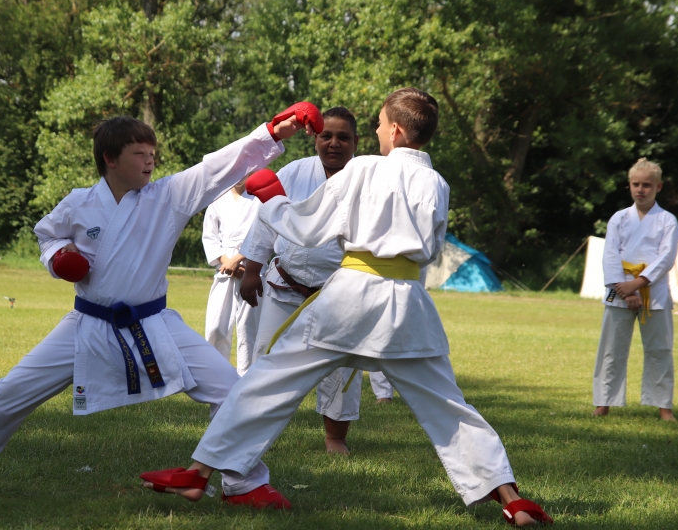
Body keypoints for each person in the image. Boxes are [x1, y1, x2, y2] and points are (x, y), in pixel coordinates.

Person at [140, 88, 553, 527]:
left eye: (379, 124)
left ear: (396, 130)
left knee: (267, 380)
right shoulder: (437, 183)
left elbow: (307, 228)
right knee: (449, 405)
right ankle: (511, 498)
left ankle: (200, 473)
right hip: (407, 304)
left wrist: (273, 198)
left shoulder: (363, 169)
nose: (376, 130)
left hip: (350, 300)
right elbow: (431, 251)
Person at [0, 104, 319, 509]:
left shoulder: (168, 197)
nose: (150, 160)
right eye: (139, 153)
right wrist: (59, 258)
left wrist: (272, 132)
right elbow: (47, 235)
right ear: (110, 159)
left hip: (154, 321)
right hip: (89, 322)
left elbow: (216, 168)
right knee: (8, 393)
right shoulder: (79, 203)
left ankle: (244, 482)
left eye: (152, 152)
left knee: (231, 390)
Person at [238, 106, 393, 455]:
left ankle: (335, 438)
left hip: (342, 292)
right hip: (285, 284)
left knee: (342, 365)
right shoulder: (294, 171)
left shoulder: (369, 180)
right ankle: (254, 430)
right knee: (267, 356)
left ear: (356, 142)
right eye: (327, 136)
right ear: (315, 139)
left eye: (343, 137)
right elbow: (266, 218)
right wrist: (252, 270)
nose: (334, 143)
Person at [593, 158, 678, 422]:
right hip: (618, 288)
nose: (640, 189)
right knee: (611, 348)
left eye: (647, 185)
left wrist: (638, 283)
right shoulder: (618, 218)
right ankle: (603, 402)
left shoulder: (667, 220)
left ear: (658, 187)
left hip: (654, 290)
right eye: (636, 184)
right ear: (629, 185)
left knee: (660, 349)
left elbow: (666, 258)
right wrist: (626, 290)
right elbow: (609, 256)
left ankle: (663, 406)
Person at [201, 176, 261, 374]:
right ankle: (217, 375)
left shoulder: (260, 199)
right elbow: (209, 236)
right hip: (224, 268)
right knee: (216, 326)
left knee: (247, 329)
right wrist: (226, 261)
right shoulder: (218, 198)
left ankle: (246, 379)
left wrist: (240, 260)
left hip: (252, 267)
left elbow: (265, 235)